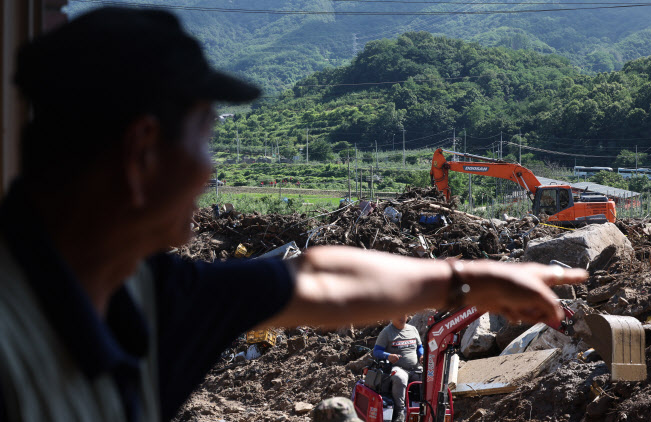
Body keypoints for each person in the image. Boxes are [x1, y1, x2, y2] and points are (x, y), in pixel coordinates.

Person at [0, 6, 587, 422]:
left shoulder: (141, 297)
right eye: (206, 135)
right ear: (140, 152)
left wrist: (468, 280)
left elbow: (313, 276)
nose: (210, 170)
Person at [373, 315, 423, 422]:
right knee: (400, 378)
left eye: (403, 315)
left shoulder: (413, 329)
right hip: (398, 367)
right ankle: (399, 412)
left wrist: (421, 355)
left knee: (430, 376)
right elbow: (376, 351)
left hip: (416, 367)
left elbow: (419, 347)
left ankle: (424, 409)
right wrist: (388, 356)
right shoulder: (386, 332)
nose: (401, 317)